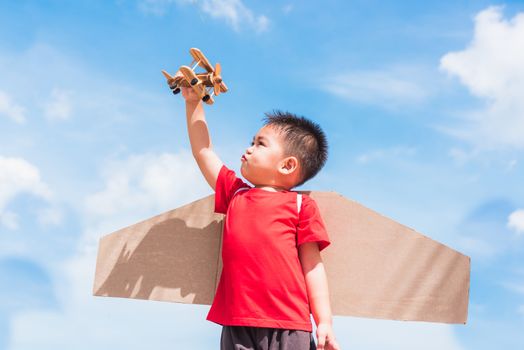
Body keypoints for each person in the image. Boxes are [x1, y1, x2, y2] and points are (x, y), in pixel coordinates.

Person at [181, 85, 340, 350]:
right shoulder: (235, 194)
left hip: (289, 326)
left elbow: (313, 266)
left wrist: (324, 322)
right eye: (252, 141)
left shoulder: (301, 205)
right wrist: (192, 103)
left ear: (287, 165)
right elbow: (203, 152)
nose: (249, 148)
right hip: (236, 322)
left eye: (260, 144)